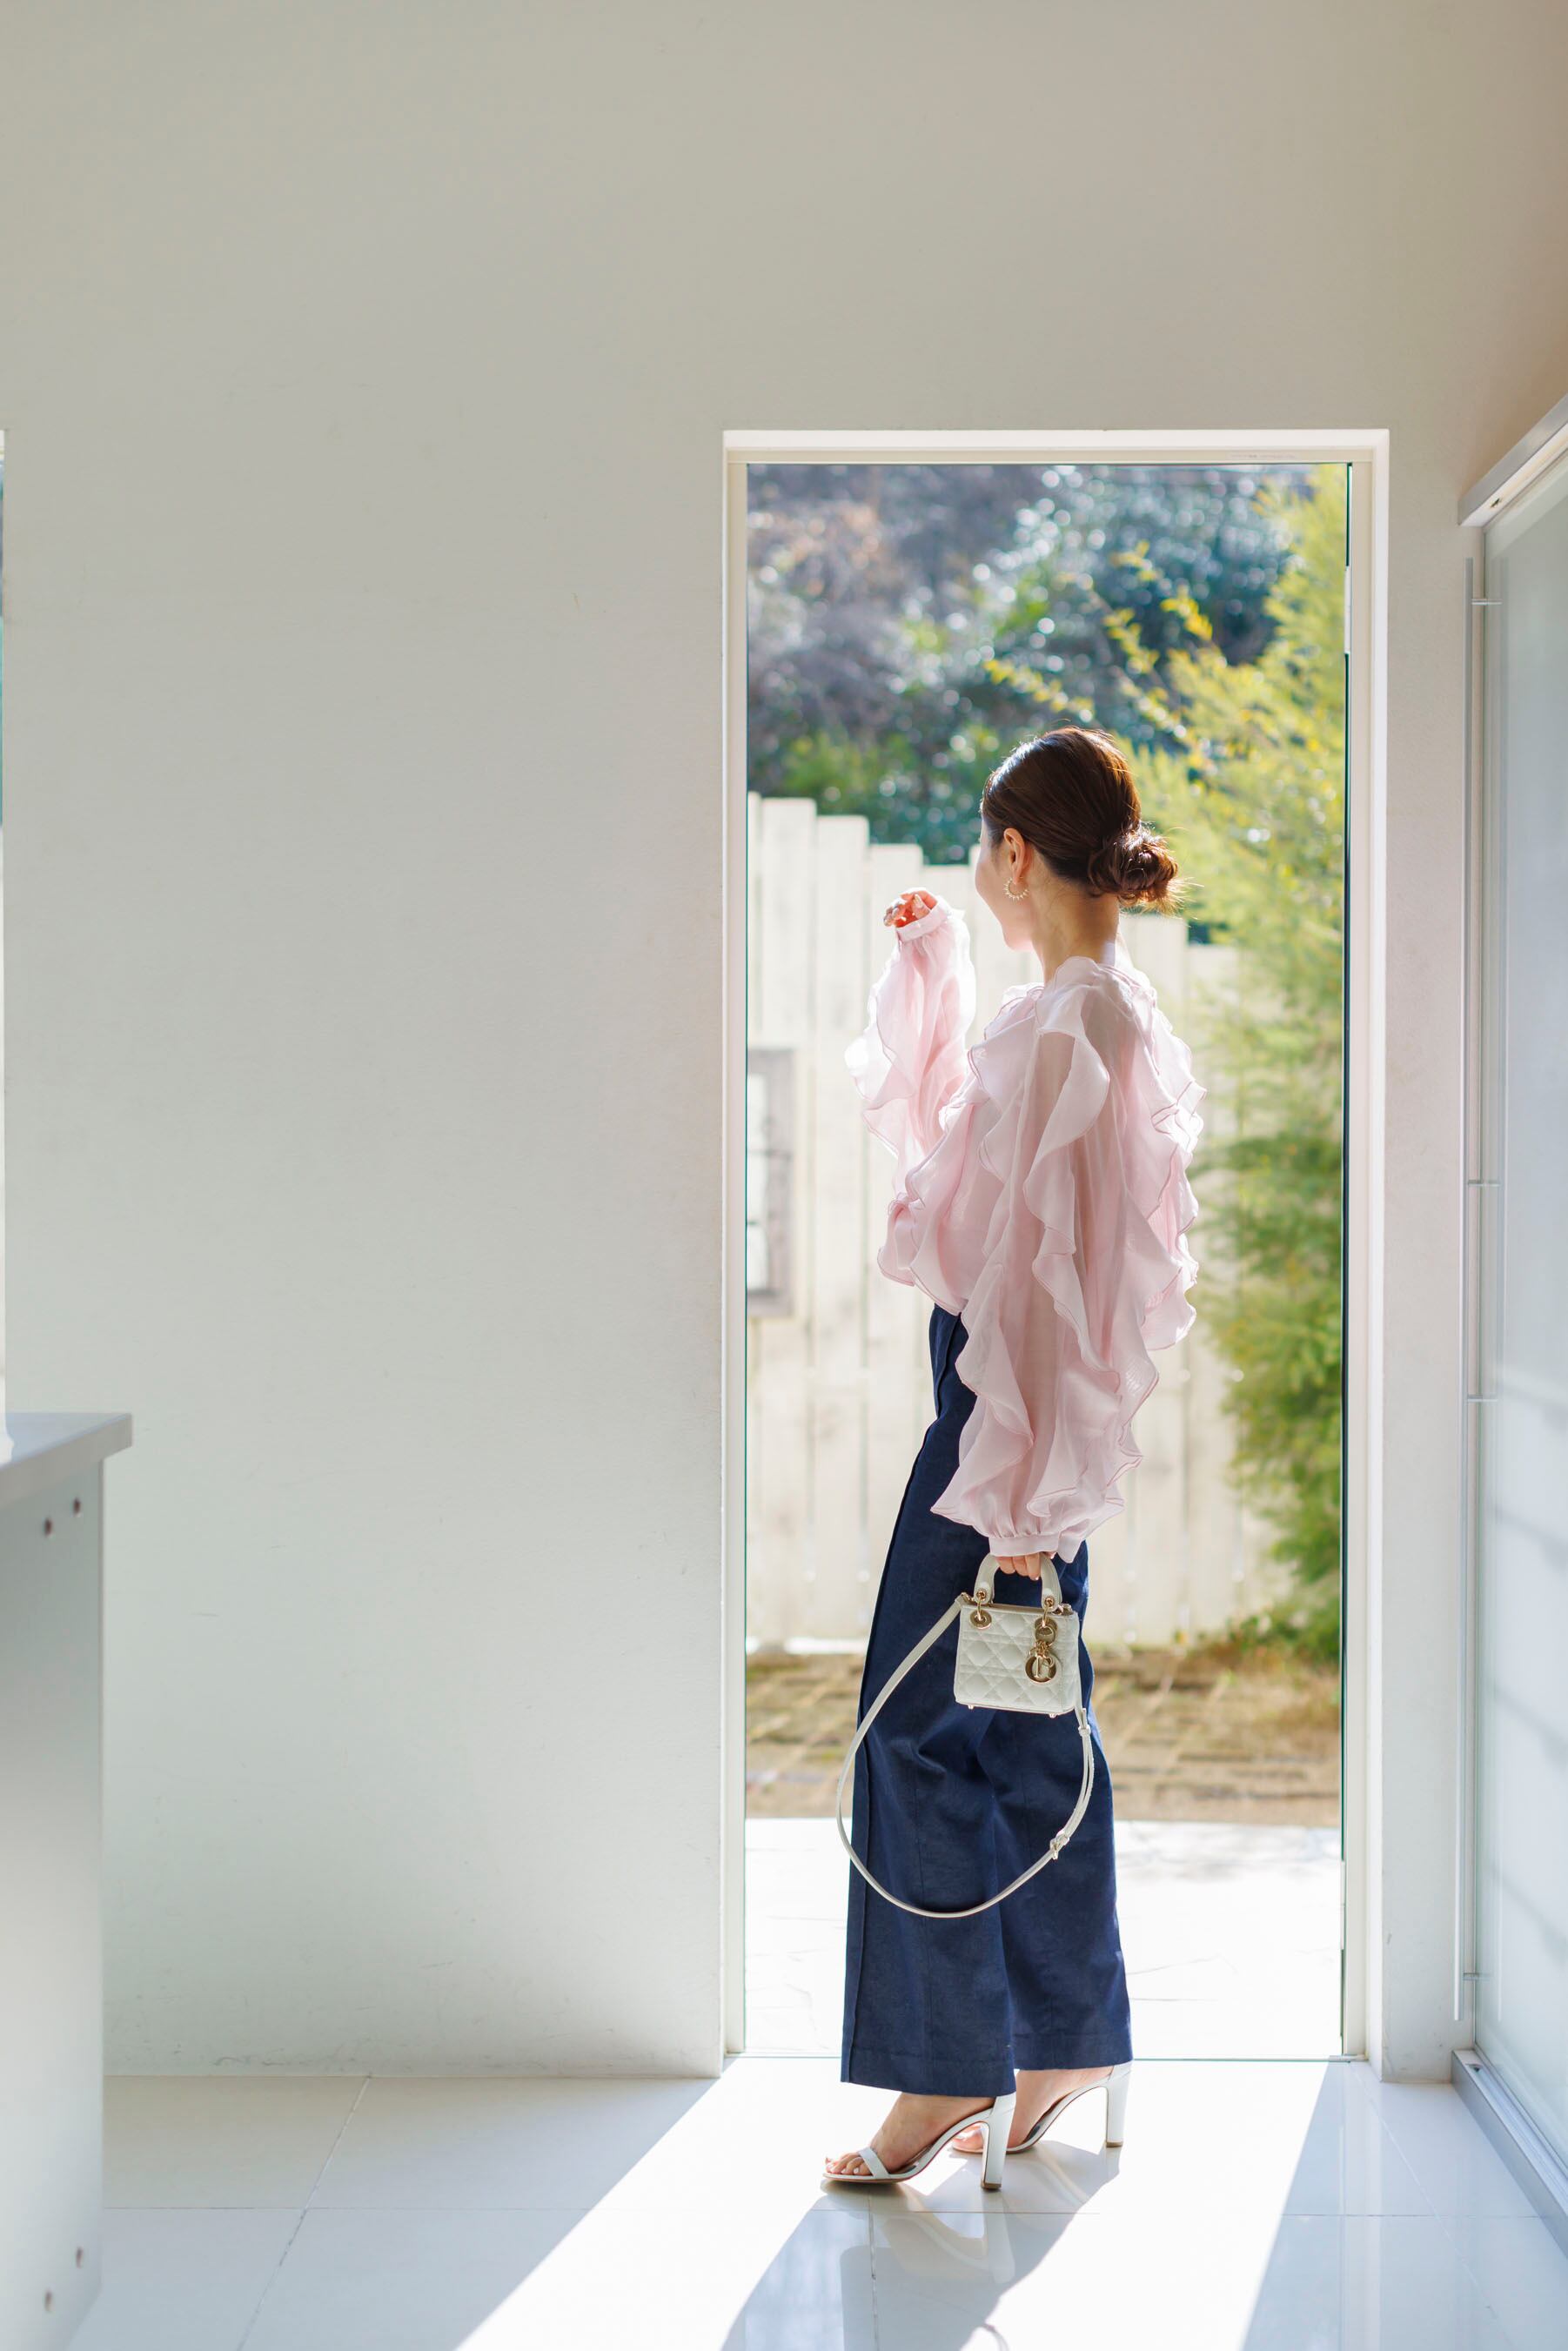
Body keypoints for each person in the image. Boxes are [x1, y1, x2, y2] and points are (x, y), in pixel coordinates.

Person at [822, 726, 1205, 2189]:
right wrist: (930, 972)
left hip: (1001, 1434)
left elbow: (1049, 1284)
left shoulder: (1066, 1028)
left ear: (1014, 853)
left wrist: (1024, 1500)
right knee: (1028, 1728)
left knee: (912, 1732)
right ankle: (1061, 2042)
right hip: (1028, 1432)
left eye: (982, 859)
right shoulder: (1093, 1012)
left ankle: (944, 2073)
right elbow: (986, 1193)